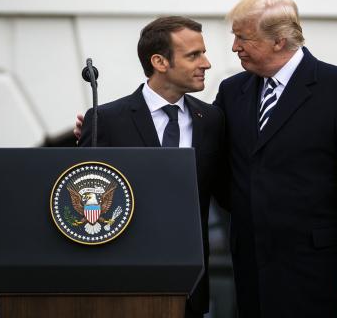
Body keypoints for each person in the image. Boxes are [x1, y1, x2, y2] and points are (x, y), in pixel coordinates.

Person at [214, 0, 337, 317]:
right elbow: (207, 157)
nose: (235, 46)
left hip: (326, 277)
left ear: (279, 41)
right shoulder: (231, 92)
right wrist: (99, 131)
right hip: (256, 276)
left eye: (243, 37)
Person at [77, 16, 228, 318]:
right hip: (121, 288)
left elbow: (227, 191)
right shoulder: (107, 120)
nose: (207, 63)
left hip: (189, 290)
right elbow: (86, 199)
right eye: (193, 55)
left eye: (204, 52)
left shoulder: (212, 121)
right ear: (159, 61)